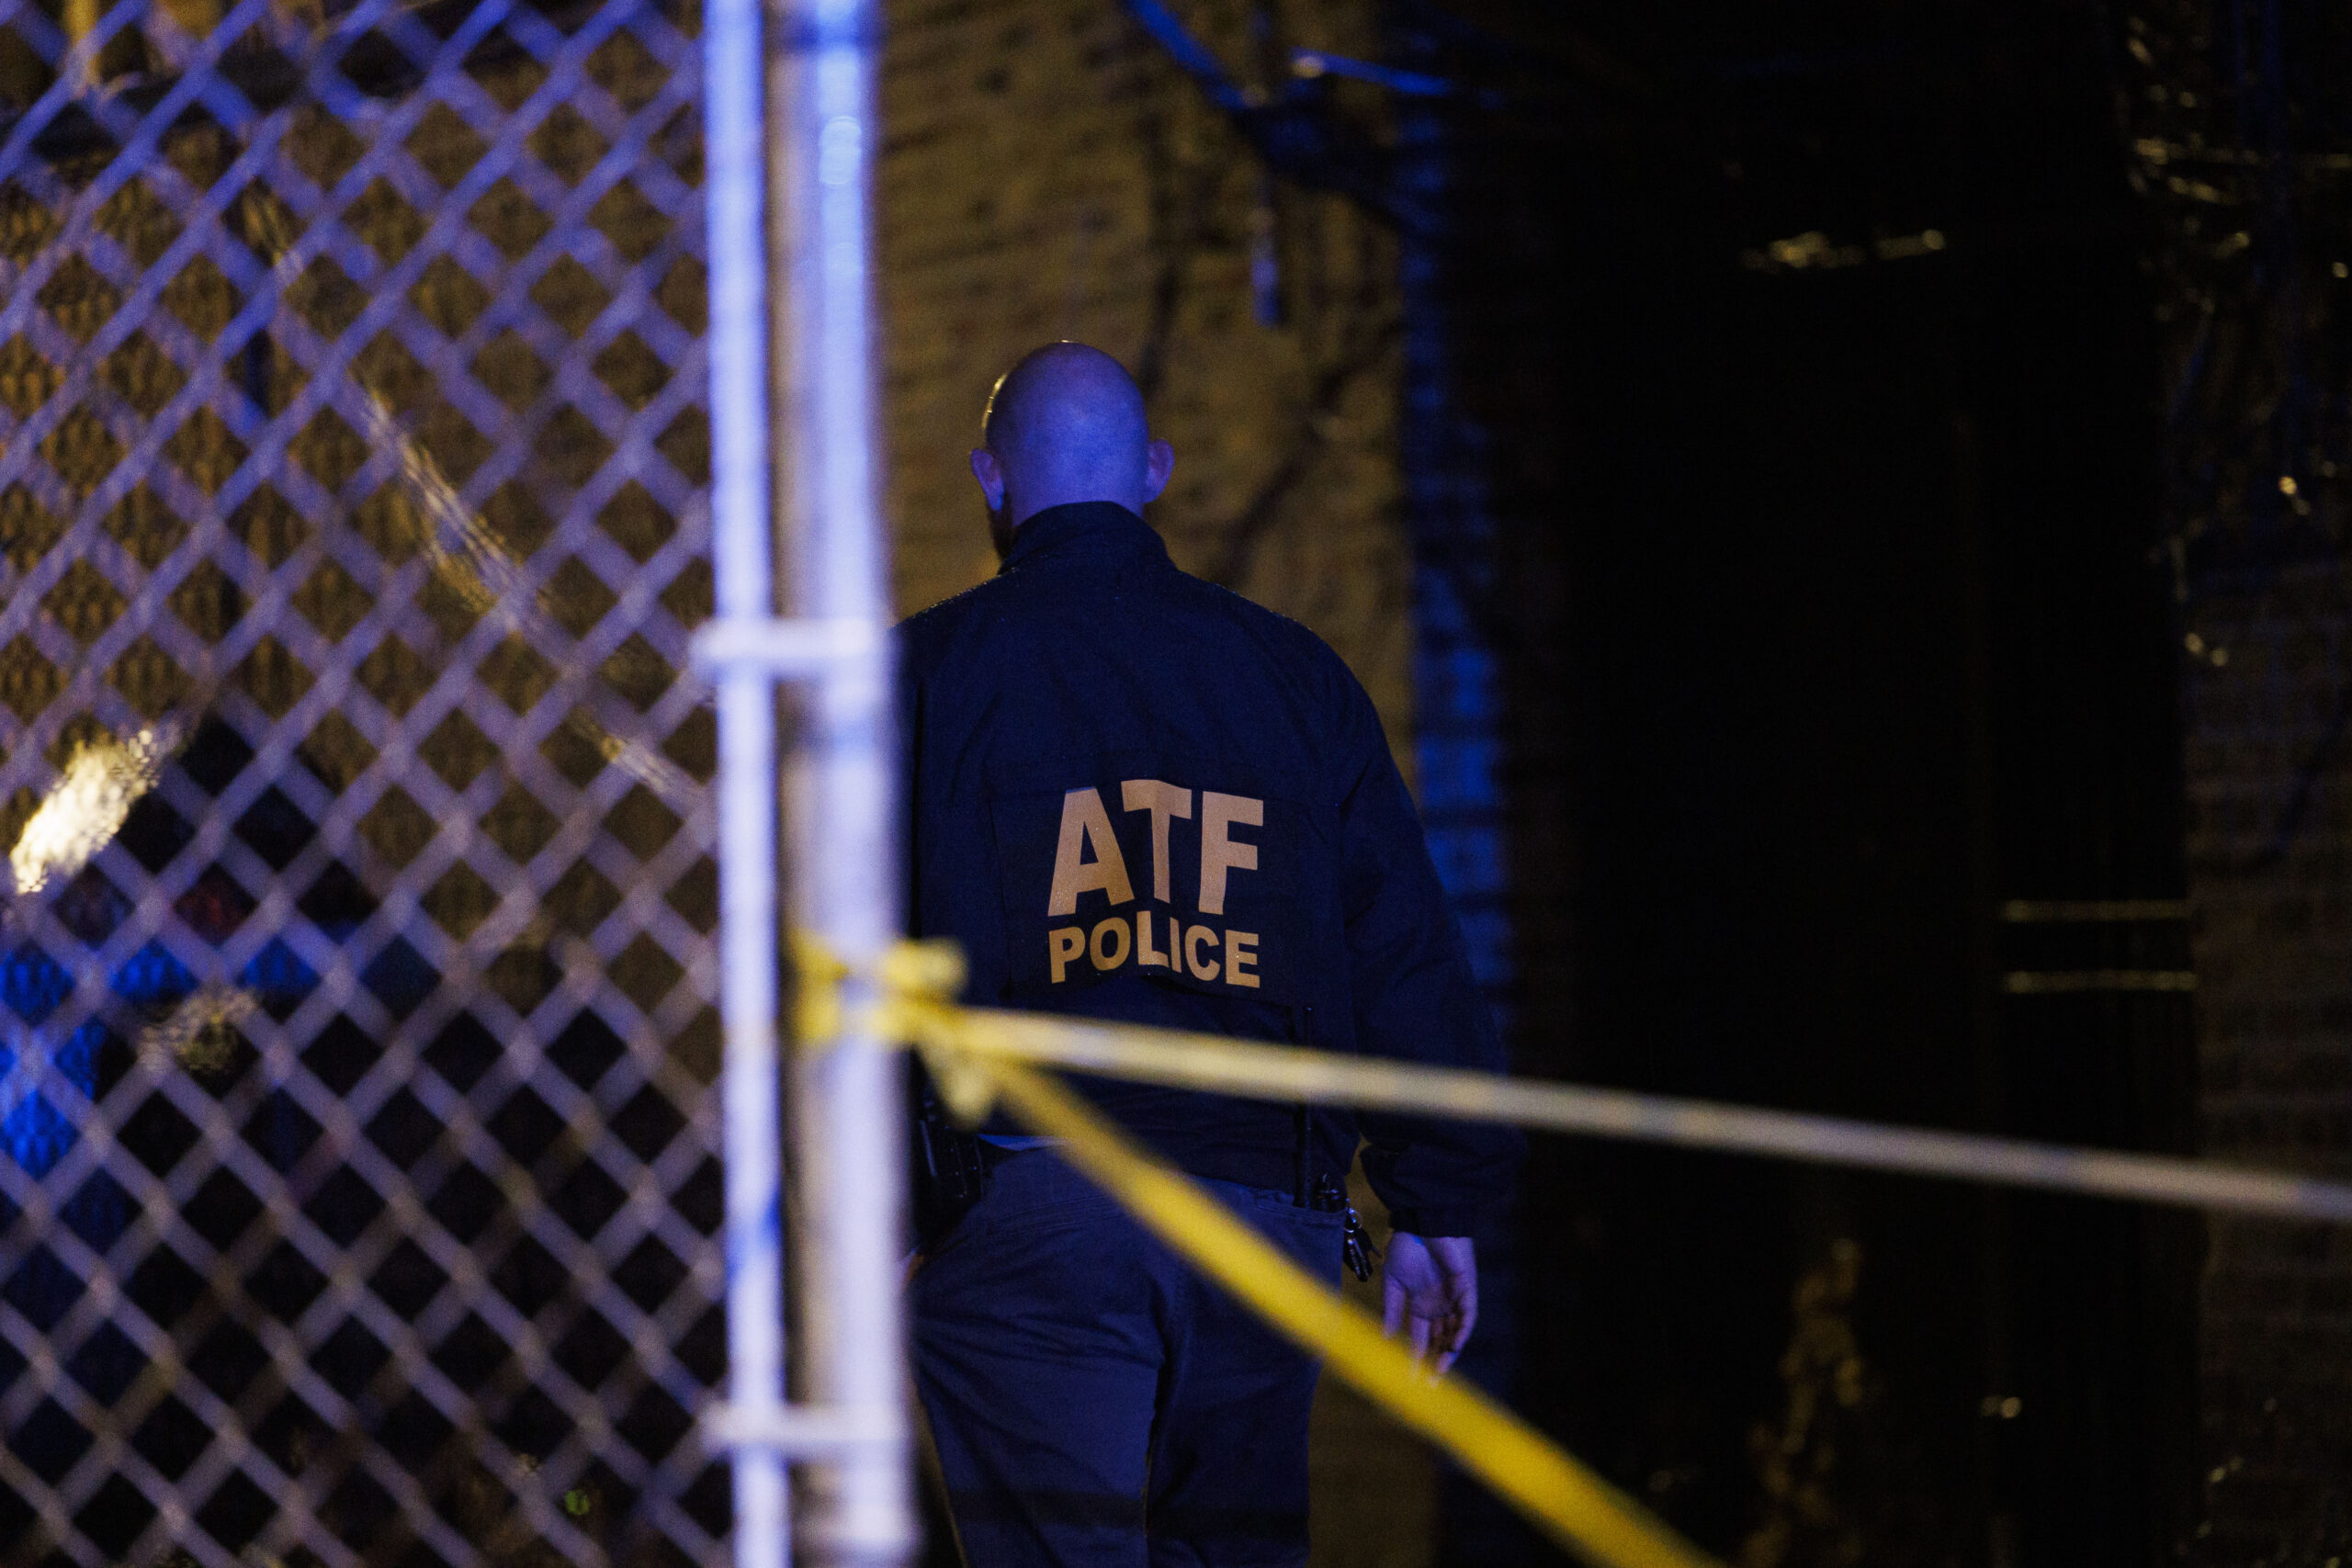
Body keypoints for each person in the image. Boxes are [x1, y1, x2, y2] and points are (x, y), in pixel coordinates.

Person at [898, 342, 1521, 1568]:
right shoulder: (1293, 677)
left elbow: (857, 951)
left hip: (1029, 1204)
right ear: (1157, 473)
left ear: (991, 477)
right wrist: (1438, 1203)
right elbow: (1399, 941)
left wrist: (868, 1209)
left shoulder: (922, 676)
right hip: (1261, 1209)